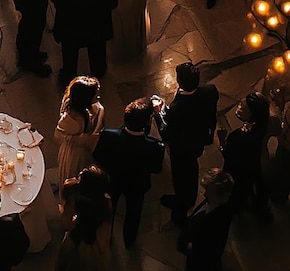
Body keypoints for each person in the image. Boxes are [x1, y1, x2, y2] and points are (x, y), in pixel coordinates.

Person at [93, 97, 164, 248]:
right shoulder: (155, 146)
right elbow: (156, 169)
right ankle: (129, 240)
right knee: (133, 212)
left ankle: (106, 235)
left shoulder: (108, 135)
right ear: (146, 123)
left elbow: (98, 156)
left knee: (108, 208)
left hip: (113, 180)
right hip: (137, 184)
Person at [158, 62, 219, 227]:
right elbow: (211, 116)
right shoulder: (210, 91)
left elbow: (166, 133)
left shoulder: (178, 109)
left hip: (181, 148)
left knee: (180, 177)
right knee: (192, 169)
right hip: (197, 141)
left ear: (179, 80)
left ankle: (180, 209)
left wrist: (159, 113)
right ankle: (190, 197)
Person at [172, 168, 234, 271]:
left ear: (221, 195)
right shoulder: (211, 202)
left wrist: (191, 247)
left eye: (209, 192)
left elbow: (210, 242)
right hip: (196, 251)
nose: (205, 195)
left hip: (203, 256)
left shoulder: (220, 215)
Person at [54, 0, 118, 83]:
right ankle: (98, 71)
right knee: (98, 53)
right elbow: (113, 5)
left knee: (70, 56)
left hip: (73, 30)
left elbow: (60, 8)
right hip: (97, 29)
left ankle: (68, 75)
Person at [52, 187, 112, 271]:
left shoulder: (76, 199)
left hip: (75, 244)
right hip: (95, 246)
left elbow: (66, 223)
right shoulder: (106, 201)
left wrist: (63, 210)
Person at [221, 91, 270, 217]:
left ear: (253, 114)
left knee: (236, 192)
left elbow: (229, 156)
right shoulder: (263, 127)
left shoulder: (238, 136)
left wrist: (222, 142)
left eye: (243, 108)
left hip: (238, 172)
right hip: (251, 170)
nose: (238, 107)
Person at [54, 76, 105, 194]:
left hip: (87, 150)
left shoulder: (92, 106)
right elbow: (57, 135)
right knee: (74, 175)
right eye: (95, 91)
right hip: (75, 153)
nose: (99, 93)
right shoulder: (72, 118)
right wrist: (80, 139)